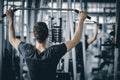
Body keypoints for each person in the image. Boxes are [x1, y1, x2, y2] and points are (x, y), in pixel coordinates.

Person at [6, 9, 87, 80]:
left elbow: (12, 39)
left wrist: (11, 19)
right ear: (48, 36)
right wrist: (81, 20)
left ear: (34, 36)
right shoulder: (54, 52)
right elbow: (75, 41)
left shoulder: (28, 51)